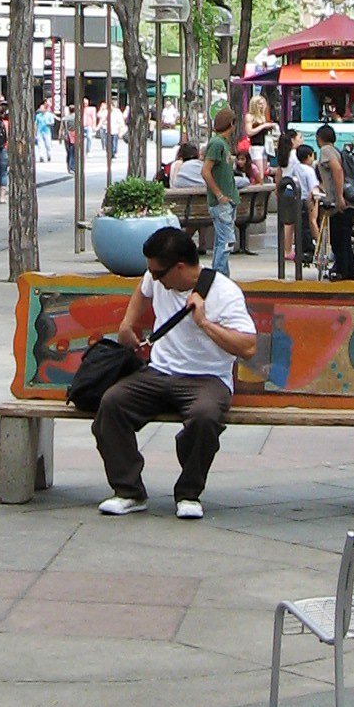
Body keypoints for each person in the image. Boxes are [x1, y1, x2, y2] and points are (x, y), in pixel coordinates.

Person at [93, 227, 257, 518]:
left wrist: (205, 323)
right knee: (112, 403)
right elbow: (142, 291)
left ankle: (189, 493)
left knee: (204, 417)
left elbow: (248, 347)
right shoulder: (156, 277)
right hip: (159, 372)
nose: (153, 278)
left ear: (179, 267)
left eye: (158, 274)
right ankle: (128, 491)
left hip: (207, 379)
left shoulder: (225, 292)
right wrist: (127, 325)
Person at [201, 103, 240, 274]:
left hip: (227, 199)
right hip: (222, 200)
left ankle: (219, 273)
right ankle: (220, 274)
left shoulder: (221, 144)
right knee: (227, 240)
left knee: (222, 240)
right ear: (231, 124)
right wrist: (219, 194)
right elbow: (206, 171)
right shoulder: (217, 144)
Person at [317, 123, 354, 279]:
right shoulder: (336, 151)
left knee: (339, 241)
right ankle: (349, 273)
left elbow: (337, 170)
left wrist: (339, 196)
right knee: (345, 241)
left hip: (338, 203)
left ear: (319, 138)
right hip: (347, 203)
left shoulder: (326, 151)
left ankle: (343, 272)